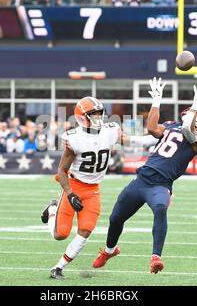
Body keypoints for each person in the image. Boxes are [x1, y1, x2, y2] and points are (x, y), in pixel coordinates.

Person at [92, 78, 197, 274]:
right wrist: (156, 100)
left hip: (161, 185)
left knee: (160, 208)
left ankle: (156, 257)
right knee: (115, 218)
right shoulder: (172, 126)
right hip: (142, 180)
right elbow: (151, 129)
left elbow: (187, 129)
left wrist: (196, 104)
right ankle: (109, 250)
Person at [40, 96, 122, 279]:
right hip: (75, 186)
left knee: (85, 230)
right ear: (82, 117)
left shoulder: (108, 132)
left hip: (93, 190)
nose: (98, 118)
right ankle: (53, 209)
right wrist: (69, 194)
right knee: (60, 234)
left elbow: (133, 141)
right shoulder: (73, 138)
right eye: (94, 114)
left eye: (100, 113)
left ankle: (58, 268)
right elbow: (61, 171)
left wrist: (159, 136)